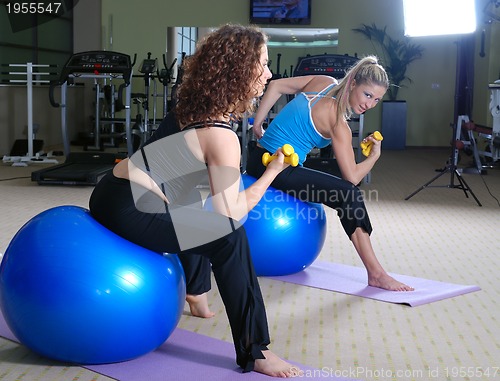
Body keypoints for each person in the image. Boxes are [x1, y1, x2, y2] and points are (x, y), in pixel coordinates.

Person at [89, 24, 302, 378]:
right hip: (127, 206)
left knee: (197, 200)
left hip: (112, 190)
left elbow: (187, 193)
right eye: (262, 64)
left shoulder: (192, 110)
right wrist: (271, 174)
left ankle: (197, 292)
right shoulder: (222, 137)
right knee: (229, 237)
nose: (269, 73)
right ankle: (256, 350)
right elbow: (231, 217)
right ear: (238, 70)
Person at [246, 56, 414, 292]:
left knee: (331, 184)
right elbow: (352, 178)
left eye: (377, 99)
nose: (370, 104)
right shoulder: (338, 123)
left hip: (257, 158)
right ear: (353, 83)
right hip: (275, 170)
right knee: (349, 195)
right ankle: (376, 273)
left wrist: (258, 124)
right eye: (367, 95)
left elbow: (275, 85)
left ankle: (376, 272)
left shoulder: (322, 82)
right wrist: (374, 157)